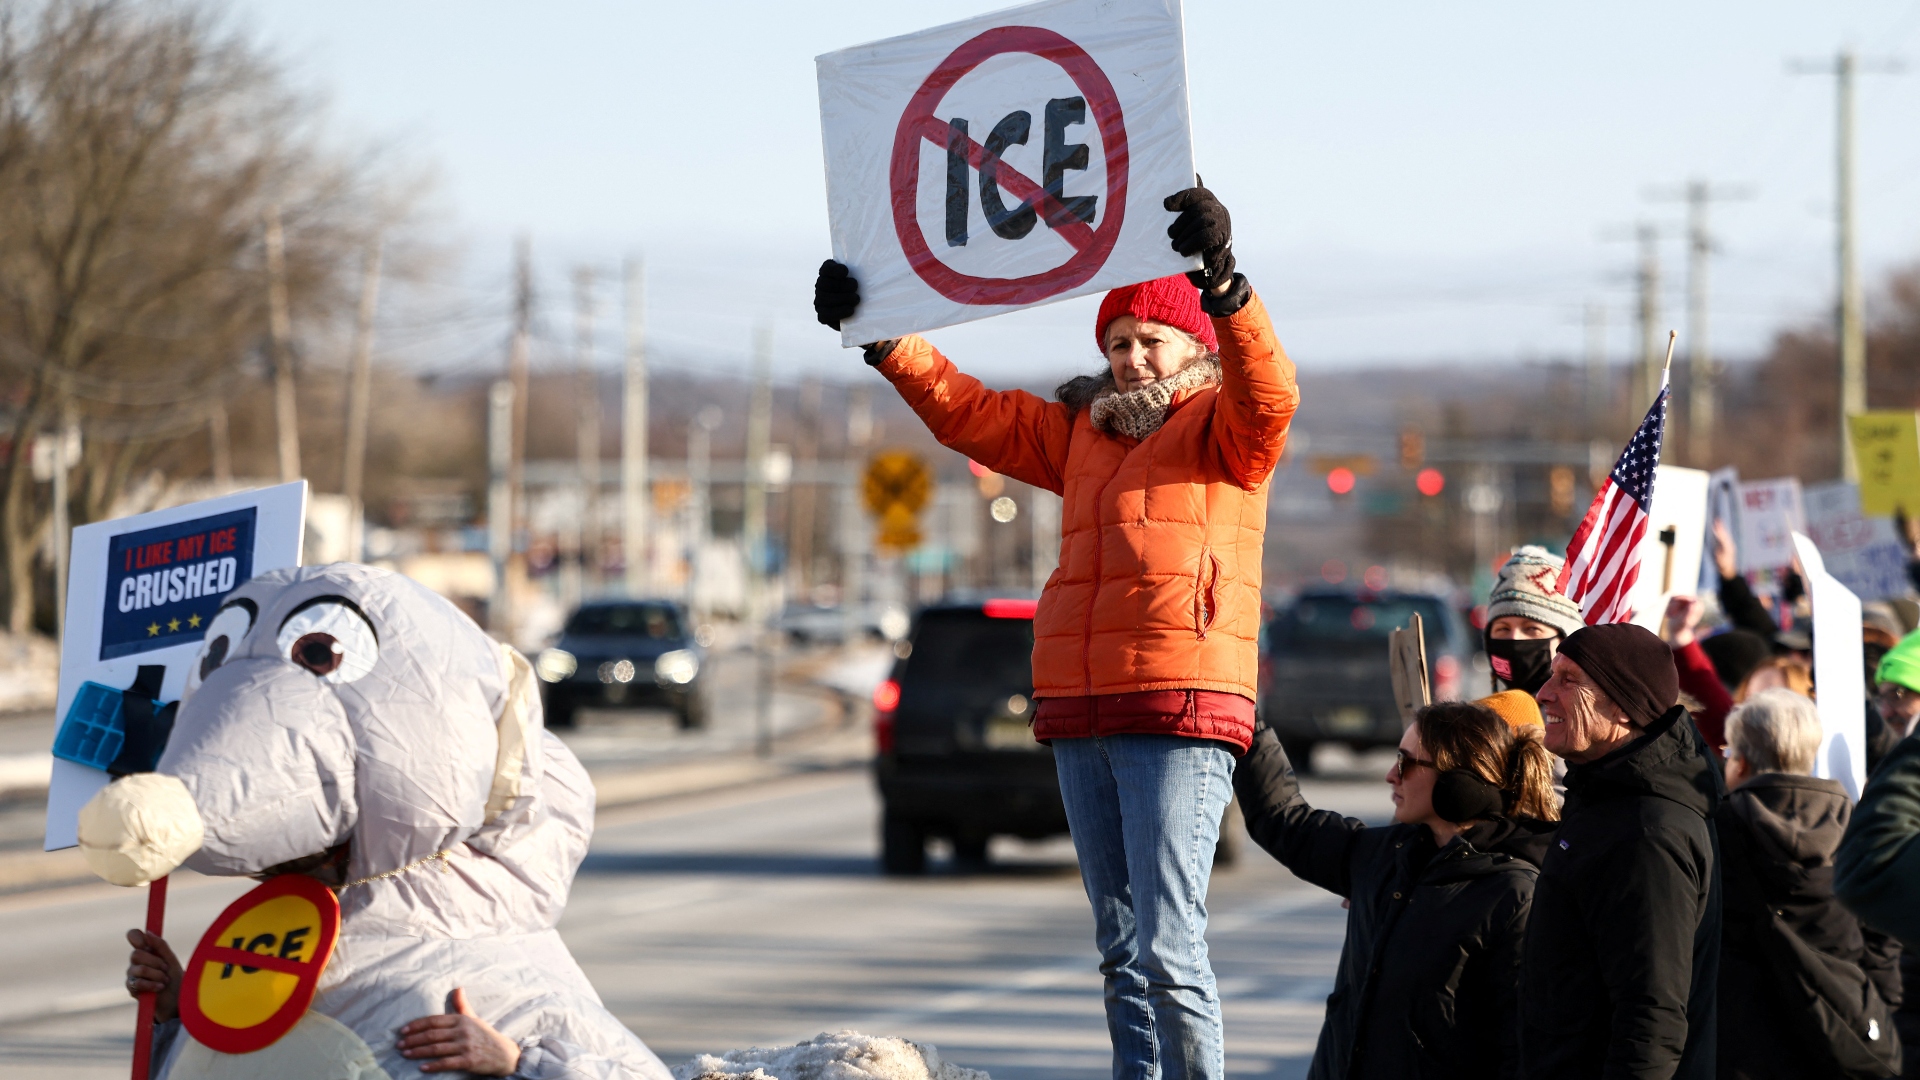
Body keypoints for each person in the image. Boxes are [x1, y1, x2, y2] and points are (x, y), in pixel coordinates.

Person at [814, 182, 1295, 1080]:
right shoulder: (1081, 433)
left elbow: (1270, 392)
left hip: (1178, 705)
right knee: (1119, 951)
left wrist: (1227, 286)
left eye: (1150, 340)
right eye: (1117, 342)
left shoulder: (1226, 431)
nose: (1132, 358)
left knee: (1169, 947)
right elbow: (970, 411)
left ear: (1192, 345)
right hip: (1083, 706)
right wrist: (884, 339)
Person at [1234, 701, 1557, 1079]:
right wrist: (1245, 718)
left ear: (1460, 781)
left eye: (1406, 763)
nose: (1391, 775)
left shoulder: (1515, 895)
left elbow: (1518, 1051)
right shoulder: (1382, 854)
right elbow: (1283, 819)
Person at [1522, 622, 1723, 1080]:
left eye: (1569, 680)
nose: (1544, 693)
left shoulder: (1648, 832)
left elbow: (1651, 1019)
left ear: (1625, 708)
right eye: (1552, 675)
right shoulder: (1605, 798)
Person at [1716, 690, 1902, 1080]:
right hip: (1843, 1030)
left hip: (1742, 1043)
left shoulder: (1719, 828)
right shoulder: (1856, 825)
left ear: (1743, 761)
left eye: (1730, 752)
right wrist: (1878, 1004)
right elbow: (1883, 932)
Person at [126, 929, 524, 1074]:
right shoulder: (276, 925)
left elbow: (582, 1058)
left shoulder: (495, 935)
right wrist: (181, 1017)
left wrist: (516, 1063)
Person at [1484, 546, 1586, 696]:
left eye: (1531, 629)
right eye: (1503, 629)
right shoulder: (1482, 717)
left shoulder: (1589, 717)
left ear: (1565, 639)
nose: (1514, 638)